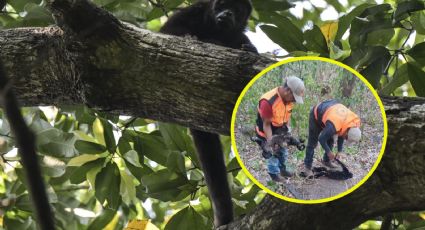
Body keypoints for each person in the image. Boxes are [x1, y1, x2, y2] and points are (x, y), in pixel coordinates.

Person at [254, 76, 305, 182]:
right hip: (267, 132)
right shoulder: (268, 101)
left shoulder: (289, 100)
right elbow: (266, 125)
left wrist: (288, 133)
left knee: (283, 152)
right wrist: (272, 144)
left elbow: (287, 116)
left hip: (280, 131)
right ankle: (274, 174)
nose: (294, 101)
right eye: (294, 98)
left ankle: (283, 170)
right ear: (288, 91)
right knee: (274, 155)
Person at [302, 99, 362, 177]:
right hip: (316, 116)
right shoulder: (334, 125)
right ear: (347, 132)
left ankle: (326, 161)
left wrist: (339, 151)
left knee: (330, 140)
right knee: (312, 143)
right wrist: (329, 152)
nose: (345, 139)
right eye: (346, 138)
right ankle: (307, 167)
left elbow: (342, 133)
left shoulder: (351, 123)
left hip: (330, 116)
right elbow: (321, 139)